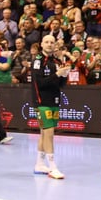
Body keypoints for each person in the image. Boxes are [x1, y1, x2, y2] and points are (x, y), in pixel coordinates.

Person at [32, 34, 70, 179]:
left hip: (54, 100)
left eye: (52, 42)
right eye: (46, 42)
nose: (49, 44)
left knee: (44, 132)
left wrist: (64, 75)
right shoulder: (37, 61)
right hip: (42, 102)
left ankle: (39, 164)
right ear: (41, 44)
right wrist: (57, 74)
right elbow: (39, 82)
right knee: (49, 133)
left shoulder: (56, 61)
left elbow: (60, 85)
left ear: (55, 45)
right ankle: (53, 166)